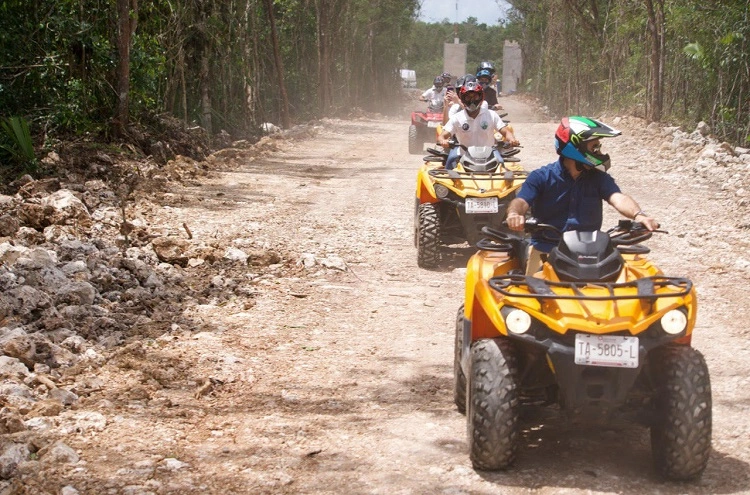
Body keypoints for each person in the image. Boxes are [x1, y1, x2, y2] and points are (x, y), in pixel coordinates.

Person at [505, 116, 660, 275]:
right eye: (594, 147)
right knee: (534, 294)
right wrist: (514, 214)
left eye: (598, 147)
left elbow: (618, 198)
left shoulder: (599, 178)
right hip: (546, 250)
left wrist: (639, 215)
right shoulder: (541, 177)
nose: (598, 152)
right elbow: (521, 201)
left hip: (589, 253)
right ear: (575, 146)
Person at [437, 80, 519, 170]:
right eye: (468, 97)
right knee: (449, 164)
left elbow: (506, 132)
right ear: (463, 99)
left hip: (490, 156)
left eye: (475, 96)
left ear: (481, 97)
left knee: (501, 163)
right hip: (463, 156)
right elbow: (442, 136)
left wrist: (512, 139)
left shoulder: (491, 115)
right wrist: (443, 141)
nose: (472, 100)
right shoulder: (457, 117)